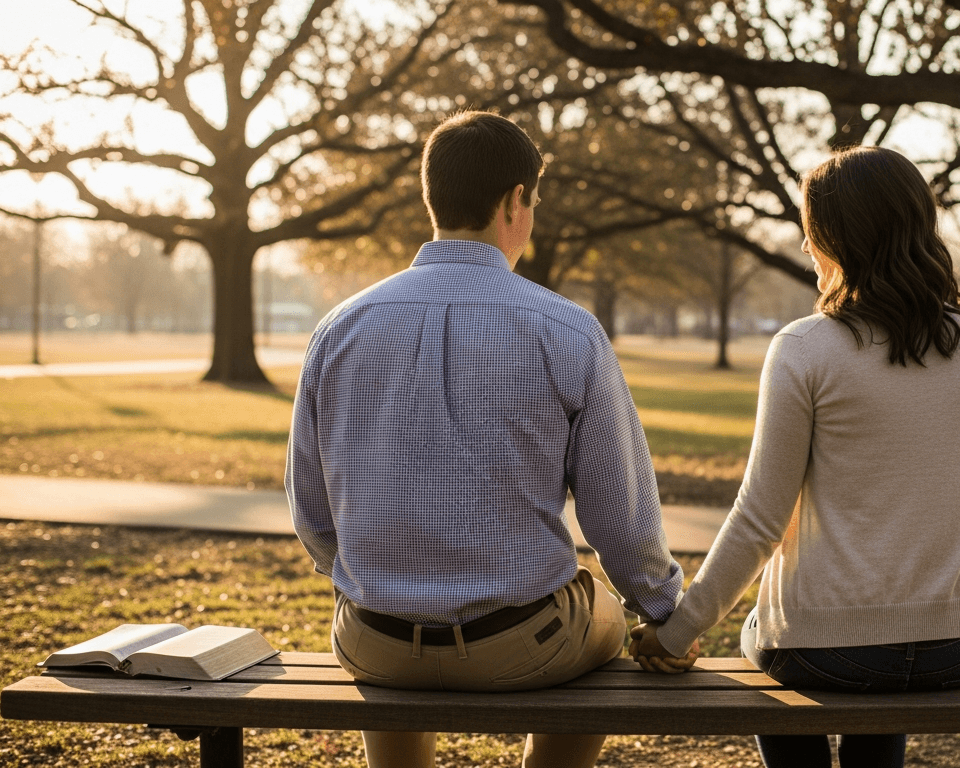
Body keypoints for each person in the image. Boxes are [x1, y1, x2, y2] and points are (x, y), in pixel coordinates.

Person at [287, 110, 689, 768]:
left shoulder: (340, 328)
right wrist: (665, 608)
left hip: (372, 640)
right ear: (514, 201)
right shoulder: (568, 330)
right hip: (522, 644)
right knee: (607, 615)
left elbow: (311, 512)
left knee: (391, 646)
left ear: (433, 196)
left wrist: (382, 582)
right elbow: (618, 521)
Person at [629, 145, 960, 768]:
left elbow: (761, 521)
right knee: (880, 661)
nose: (806, 246)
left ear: (837, 238)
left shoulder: (805, 348)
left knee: (760, 630)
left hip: (826, 650)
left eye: (811, 232)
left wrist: (676, 631)